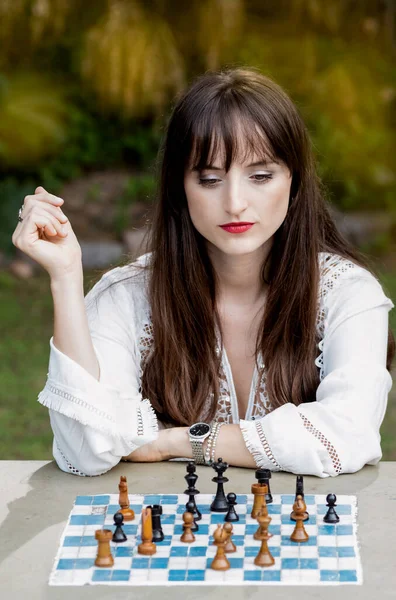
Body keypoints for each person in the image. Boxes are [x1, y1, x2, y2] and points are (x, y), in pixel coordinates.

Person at [12, 67, 395, 478]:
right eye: (210, 179)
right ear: (181, 187)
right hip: (167, 534)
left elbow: (347, 435)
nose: (235, 203)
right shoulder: (127, 295)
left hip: (300, 532)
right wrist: (66, 277)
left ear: (294, 181)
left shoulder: (348, 293)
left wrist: (178, 441)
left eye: (261, 176)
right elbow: (88, 449)